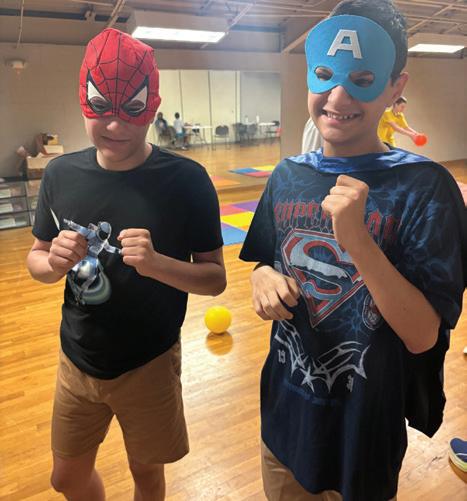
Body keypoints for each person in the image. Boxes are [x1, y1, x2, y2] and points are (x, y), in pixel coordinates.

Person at [240, 1, 466, 500]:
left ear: (395, 86)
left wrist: (359, 243)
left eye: (362, 79)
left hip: (362, 436)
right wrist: (260, 277)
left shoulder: (425, 189)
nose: (338, 96)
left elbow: (423, 335)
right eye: (324, 76)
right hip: (283, 420)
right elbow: (264, 261)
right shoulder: (286, 176)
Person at [26, 28, 226, 501]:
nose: (115, 126)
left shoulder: (187, 181)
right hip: (77, 359)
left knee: (147, 476)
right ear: (83, 100)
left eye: (131, 110)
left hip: (149, 363)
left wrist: (157, 265)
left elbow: (216, 279)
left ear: (152, 108)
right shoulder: (60, 174)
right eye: (101, 108)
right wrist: (52, 263)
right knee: (65, 478)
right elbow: (36, 257)